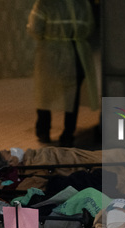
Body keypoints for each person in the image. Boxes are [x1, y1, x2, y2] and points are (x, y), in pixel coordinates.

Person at [27, 0, 99, 147]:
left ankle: (43, 131)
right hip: (77, 52)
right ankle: (68, 133)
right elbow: (90, 27)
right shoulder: (82, 3)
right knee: (73, 96)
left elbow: (35, 28)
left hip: (51, 52)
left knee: (45, 93)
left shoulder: (44, 3)